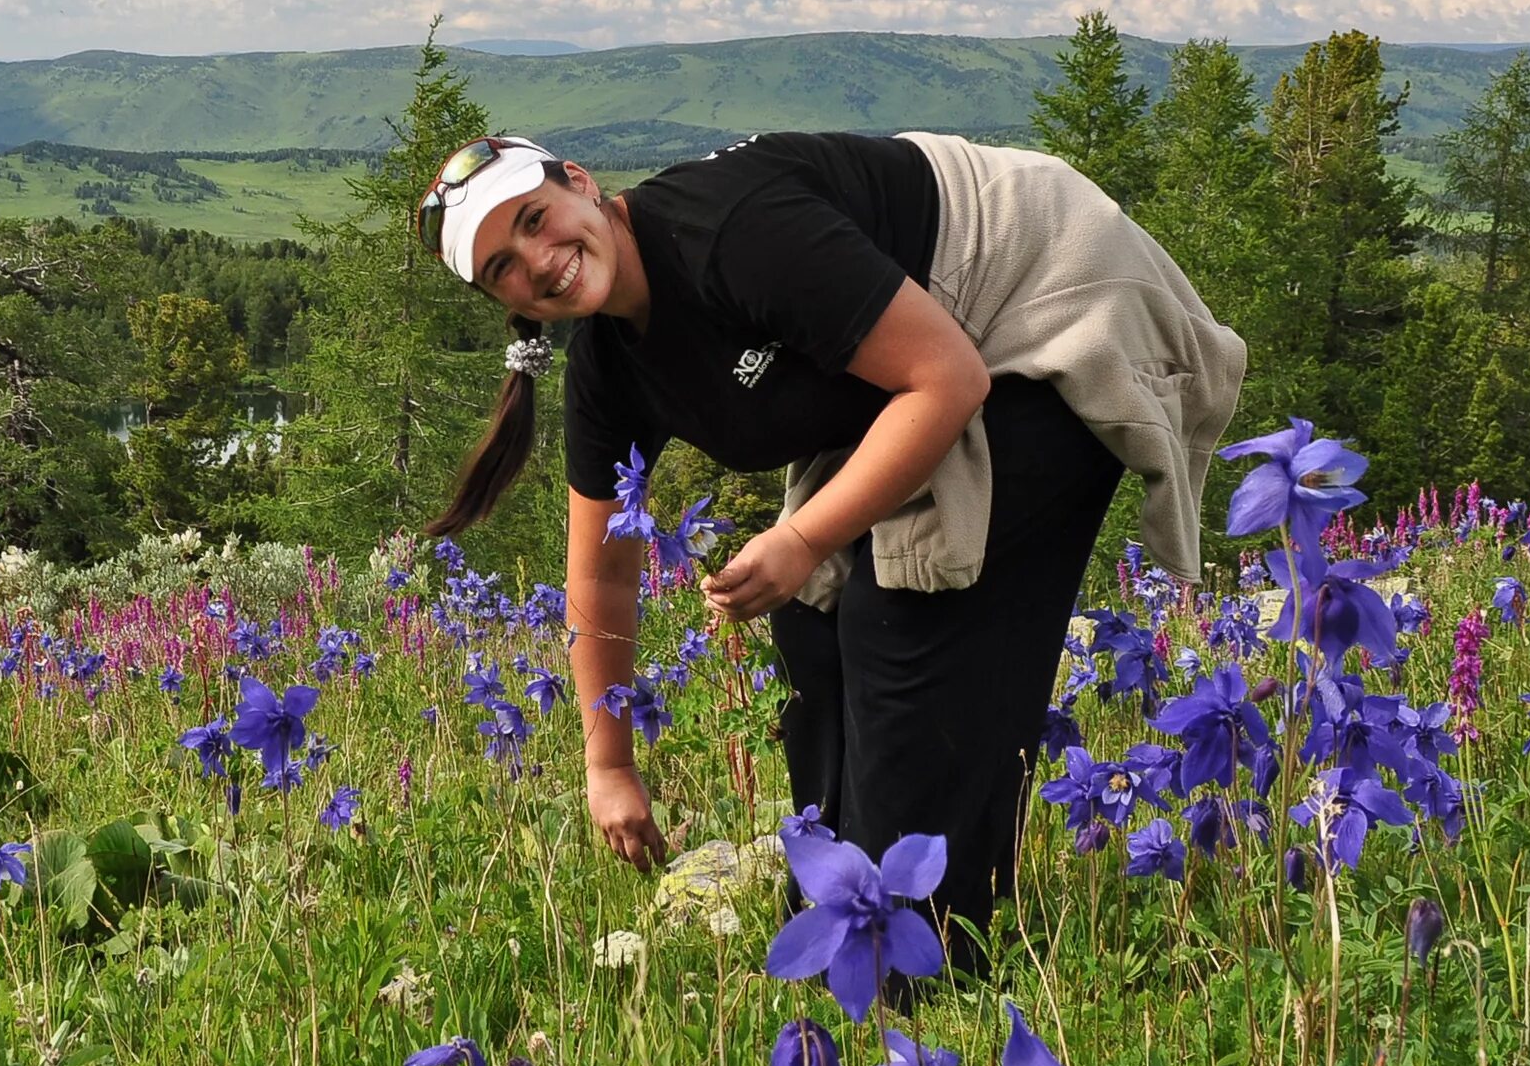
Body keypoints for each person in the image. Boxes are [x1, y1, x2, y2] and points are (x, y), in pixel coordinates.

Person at [416, 128, 1245, 941]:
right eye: (503, 270)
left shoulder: (729, 234)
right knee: (810, 615)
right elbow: (601, 581)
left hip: (1034, 290)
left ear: (580, 182)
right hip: (918, 358)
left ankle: (932, 945)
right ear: (504, 302)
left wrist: (805, 536)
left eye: (532, 219)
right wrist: (610, 766)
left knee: (905, 607)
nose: (538, 260)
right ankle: (843, 906)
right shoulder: (608, 368)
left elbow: (948, 377)